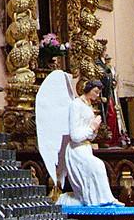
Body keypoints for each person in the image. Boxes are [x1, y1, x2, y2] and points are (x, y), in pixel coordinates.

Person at [34, 68, 123, 207]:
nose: (97, 95)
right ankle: (101, 201)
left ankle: (100, 200)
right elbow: (75, 135)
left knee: (95, 171)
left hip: (85, 148)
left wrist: (94, 130)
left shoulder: (87, 106)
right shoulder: (76, 105)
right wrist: (92, 127)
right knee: (98, 166)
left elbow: (89, 135)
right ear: (88, 89)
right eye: (96, 92)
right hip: (76, 150)